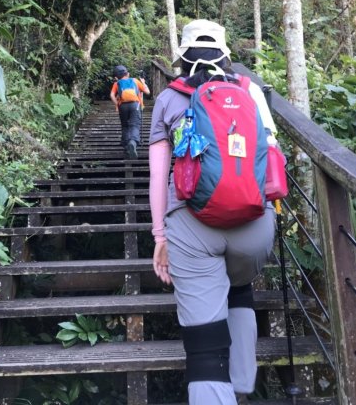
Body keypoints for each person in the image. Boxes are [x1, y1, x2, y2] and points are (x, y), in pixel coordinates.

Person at [148, 20, 278, 405]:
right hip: (255, 224)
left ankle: (221, 392)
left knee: (205, 348)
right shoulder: (249, 89)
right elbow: (271, 157)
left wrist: (160, 237)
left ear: (181, 56)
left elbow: (158, 178)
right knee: (237, 282)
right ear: (225, 53)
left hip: (192, 226)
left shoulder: (169, 97)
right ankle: (243, 383)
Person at [110, 64, 150, 159]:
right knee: (135, 125)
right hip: (135, 105)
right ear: (127, 73)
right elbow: (147, 92)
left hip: (122, 106)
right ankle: (133, 142)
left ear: (116, 77)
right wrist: (143, 83)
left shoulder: (117, 83)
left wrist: (117, 104)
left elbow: (112, 95)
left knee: (125, 125)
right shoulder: (135, 81)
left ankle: (126, 145)